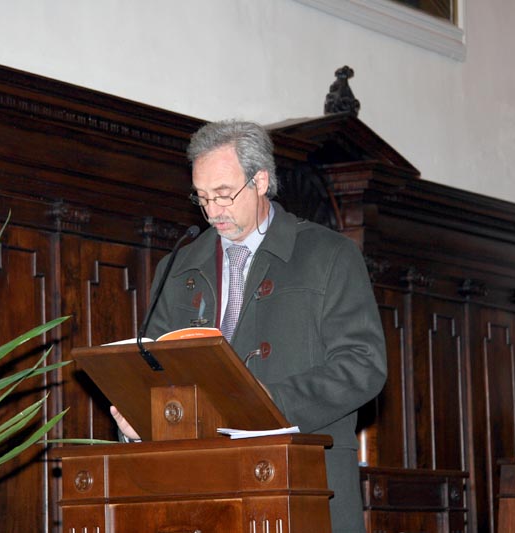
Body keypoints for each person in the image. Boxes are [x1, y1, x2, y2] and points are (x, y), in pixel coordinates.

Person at [110, 119, 387, 533]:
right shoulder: (178, 267)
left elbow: (363, 365)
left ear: (260, 181)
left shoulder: (329, 255)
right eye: (202, 197)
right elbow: (155, 368)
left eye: (224, 194)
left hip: (303, 480)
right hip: (201, 490)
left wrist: (269, 405)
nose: (212, 211)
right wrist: (140, 420)